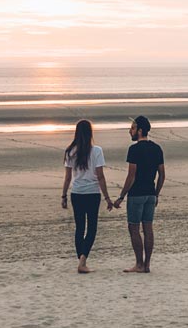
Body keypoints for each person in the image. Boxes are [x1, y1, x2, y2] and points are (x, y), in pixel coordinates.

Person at [112, 115, 165, 273]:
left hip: (136, 195)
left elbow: (131, 176)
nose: (130, 131)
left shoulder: (134, 149)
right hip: (150, 193)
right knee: (148, 228)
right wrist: (156, 194)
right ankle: (147, 264)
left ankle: (139, 264)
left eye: (133, 128)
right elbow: (162, 174)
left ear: (140, 130)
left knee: (134, 228)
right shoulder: (157, 148)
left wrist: (121, 196)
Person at [61, 119, 111, 273]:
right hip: (92, 194)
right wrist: (107, 198)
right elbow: (100, 177)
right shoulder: (96, 151)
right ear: (90, 133)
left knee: (79, 227)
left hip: (77, 193)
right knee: (92, 228)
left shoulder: (70, 151)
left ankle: (81, 260)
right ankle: (83, 261)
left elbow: (68, 178)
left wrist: (63, 195)